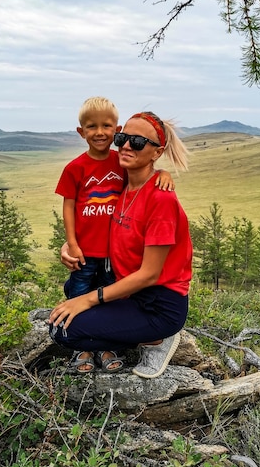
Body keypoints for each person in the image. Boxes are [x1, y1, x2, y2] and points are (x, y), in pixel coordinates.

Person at [50, 110, 192, 379]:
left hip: (159, 306)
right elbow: (92, 218)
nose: (126, 145)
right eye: (122, 138)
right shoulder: (123, 185)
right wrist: (69, 245)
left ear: (156, 152)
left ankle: (159, 338)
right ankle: (131, 337)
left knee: (66, 329)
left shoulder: (161, 201)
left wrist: (89, 300)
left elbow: (150, 274)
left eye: (137, 142)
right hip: (130, 295)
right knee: (59, 321)